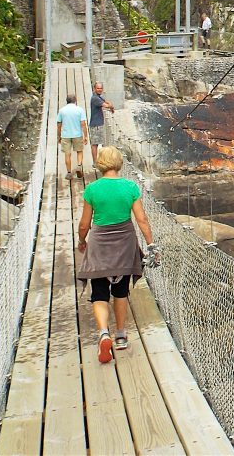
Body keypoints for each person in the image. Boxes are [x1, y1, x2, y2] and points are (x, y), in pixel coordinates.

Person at [77, 146, 154, 363]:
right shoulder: (130, 187)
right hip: (124, 243)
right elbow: (142, 219)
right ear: (119, 162)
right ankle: (120, 335)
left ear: (100, 163)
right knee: (120, 291)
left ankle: (103, 333)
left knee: (99, 292)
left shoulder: (92, 189)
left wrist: (82, 241)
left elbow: (84, 224)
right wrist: (151, 244)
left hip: (100, 243)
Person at [55, 93, 88, 180]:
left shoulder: (62, 110)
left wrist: (59, 136)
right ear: (75, 100)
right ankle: (79, 166)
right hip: (77, 134)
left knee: (67, 154)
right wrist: (85, 136)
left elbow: (59, 124)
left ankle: (69, 173)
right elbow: (83, 124)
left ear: (67, 101)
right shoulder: (80, 110)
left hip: (65, 135)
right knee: (79, 151)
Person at [88, 81, 115, 166]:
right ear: (94, 89)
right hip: (96, 124)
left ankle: (100, 161)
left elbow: (106, 102)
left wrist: (110, 105)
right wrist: (111, 107)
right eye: (98, 88)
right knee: (95, 144)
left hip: (98, 124)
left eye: (101, 88)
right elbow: (107, 105)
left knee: (99, 143)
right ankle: (96, 163)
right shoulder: (95, 98)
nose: (100, 90)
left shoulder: (98, 97)